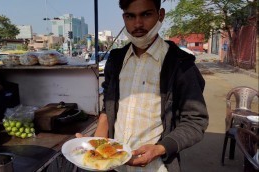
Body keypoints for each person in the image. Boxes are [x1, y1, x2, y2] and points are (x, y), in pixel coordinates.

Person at [76, 0, 209, 171]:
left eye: (146, 14)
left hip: (157, 167)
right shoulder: (116, 60)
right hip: (115, 165)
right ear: (124, 17)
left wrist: (161, 148)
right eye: (131, 16)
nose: (138, 24)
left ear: (160, 15)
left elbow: (196, 121)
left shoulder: (181, 65)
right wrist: (95, 145)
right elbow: (107, 109)